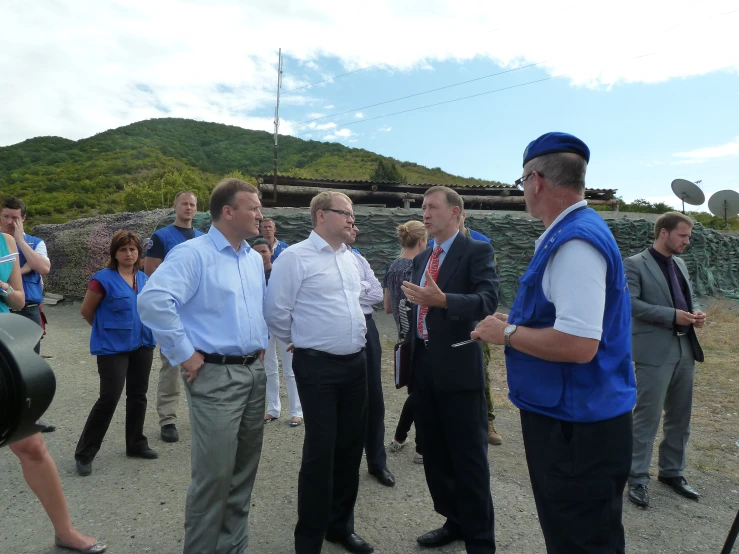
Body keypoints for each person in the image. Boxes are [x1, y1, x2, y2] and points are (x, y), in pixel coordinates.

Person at [471, 132, 636, 554]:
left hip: (574, 426)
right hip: (577, 417)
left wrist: (504, 334)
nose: (524, 190)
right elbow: (564, 318)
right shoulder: (572, 232)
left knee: (577, 539)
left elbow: (580, 344)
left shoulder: (574, 242)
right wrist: (520, 322)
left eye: (522, 181)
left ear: (536, 179)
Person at [138, 178, 268, 554]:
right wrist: (185, 352)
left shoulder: (250, 258)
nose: (260, 214)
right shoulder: (193, 254)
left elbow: (250, 310)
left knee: (243, 475)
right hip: (215, 375)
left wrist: (257, 343)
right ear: (228, 212)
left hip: (251, 373)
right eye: (253, 207)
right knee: (214, 478)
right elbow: (153, 301)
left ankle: (232, 548)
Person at [265, 191, 374, 554]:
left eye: (352, 215)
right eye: (345, 213)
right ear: (321, 215)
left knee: (349, 449)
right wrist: (297, 339)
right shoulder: (295, 258)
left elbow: (360, 303)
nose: (351, 220)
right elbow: (275, 311)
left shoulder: (350, 259)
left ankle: (340, 527)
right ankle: (308, 541)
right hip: (318, 367)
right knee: (320, 454)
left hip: (355, 364)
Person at [400, 186, 498, 552]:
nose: (425, 213)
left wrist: (444, 301)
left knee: (469, 460)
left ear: (455, 212)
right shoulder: (423, 258)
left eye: (432, 207)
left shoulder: (477, 251)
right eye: (423, 208)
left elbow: (487, 300)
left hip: (459, 369)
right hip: (424, 367)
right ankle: (453, 521)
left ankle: (479, 540)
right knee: (436, 454)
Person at [1, 232, 106, 553]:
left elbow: (19, 299)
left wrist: (4, 289)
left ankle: (65, 532)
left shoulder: (6, 242)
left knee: (32, 445)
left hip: (2, 352)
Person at [625, 212, 705, 508]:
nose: (687, 241)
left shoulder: (680, 263)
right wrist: (672, 316)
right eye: (683, 236)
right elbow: (630, 304)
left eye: (688, 236)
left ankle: (672, 472)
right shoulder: (634, 264)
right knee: (647, 416)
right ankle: (636, 477)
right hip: (654, 351)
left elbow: (684, 298)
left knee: (680, 416)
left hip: (686, 348)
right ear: (663, 233)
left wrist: (695, 314)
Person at [76, 231, 158, 476]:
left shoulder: (143, 278)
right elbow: (87, 310)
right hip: (113, 347)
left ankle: (135, 443)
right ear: (114, 253)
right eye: (123, 250)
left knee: (138, 395)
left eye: (133, 249)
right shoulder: (102, 279)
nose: (129, 254)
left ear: (138, 253)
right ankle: (84, 453)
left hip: (142, 343)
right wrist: (106, 331)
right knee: (109, 397)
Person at [428, 212, 502, 445]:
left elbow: (488, 291)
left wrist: (448, 300)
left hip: (474, 323)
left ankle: (487, 419)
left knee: (480, 371)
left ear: (459, 215)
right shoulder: (432, 248)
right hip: (441, 328)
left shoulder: (481, 244)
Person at [144, 190, 203, 444]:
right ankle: (168, 419)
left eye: (192, 205)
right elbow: (151, 271)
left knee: (203, 362)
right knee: (171, 364)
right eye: (184, 204)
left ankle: (202, 415)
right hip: (174, 311)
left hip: (199, 313)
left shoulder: (204, 238)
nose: (188, 208)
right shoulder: (161, 237)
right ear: (175, 206)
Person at [1, 197, 55, 433]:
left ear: (23, 219)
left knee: (29, 368)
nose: (11, 221)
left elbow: (43, 267)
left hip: (27, 310)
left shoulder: (35, 242)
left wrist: (21, 242)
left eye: (16, 218)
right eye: (6, 216)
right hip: (6, 310)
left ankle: (30, 418)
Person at [347, 223, 395, 487]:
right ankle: (346, 465)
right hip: (339, 328)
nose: (354, 228)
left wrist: (352, 288)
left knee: (374, 396)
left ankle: (377, 462)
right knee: (347, 399)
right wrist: (358, 288)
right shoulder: (315, 257)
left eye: (356, 224)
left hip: (368, 327)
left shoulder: (358, 257)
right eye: (350, 223)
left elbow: (376, 293)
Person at [384, 220, 426, 464]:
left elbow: (387, 307)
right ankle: (422, 448)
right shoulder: (420, 267)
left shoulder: (392, 266)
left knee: (416, 391)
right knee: (423, 393)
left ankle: (400, 437)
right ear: (422, 241)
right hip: (421, 339)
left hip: (403, 339)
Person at [253, 238, 303, 427]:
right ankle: (273, 408)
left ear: (270, 252)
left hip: (282, 324)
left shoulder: (278, 273)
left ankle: (296, 411)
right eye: (256, 252)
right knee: (269, 368)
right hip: (262, 326)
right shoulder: (251, 274)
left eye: (263, 251)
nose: (260, 255)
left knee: (289, 369)